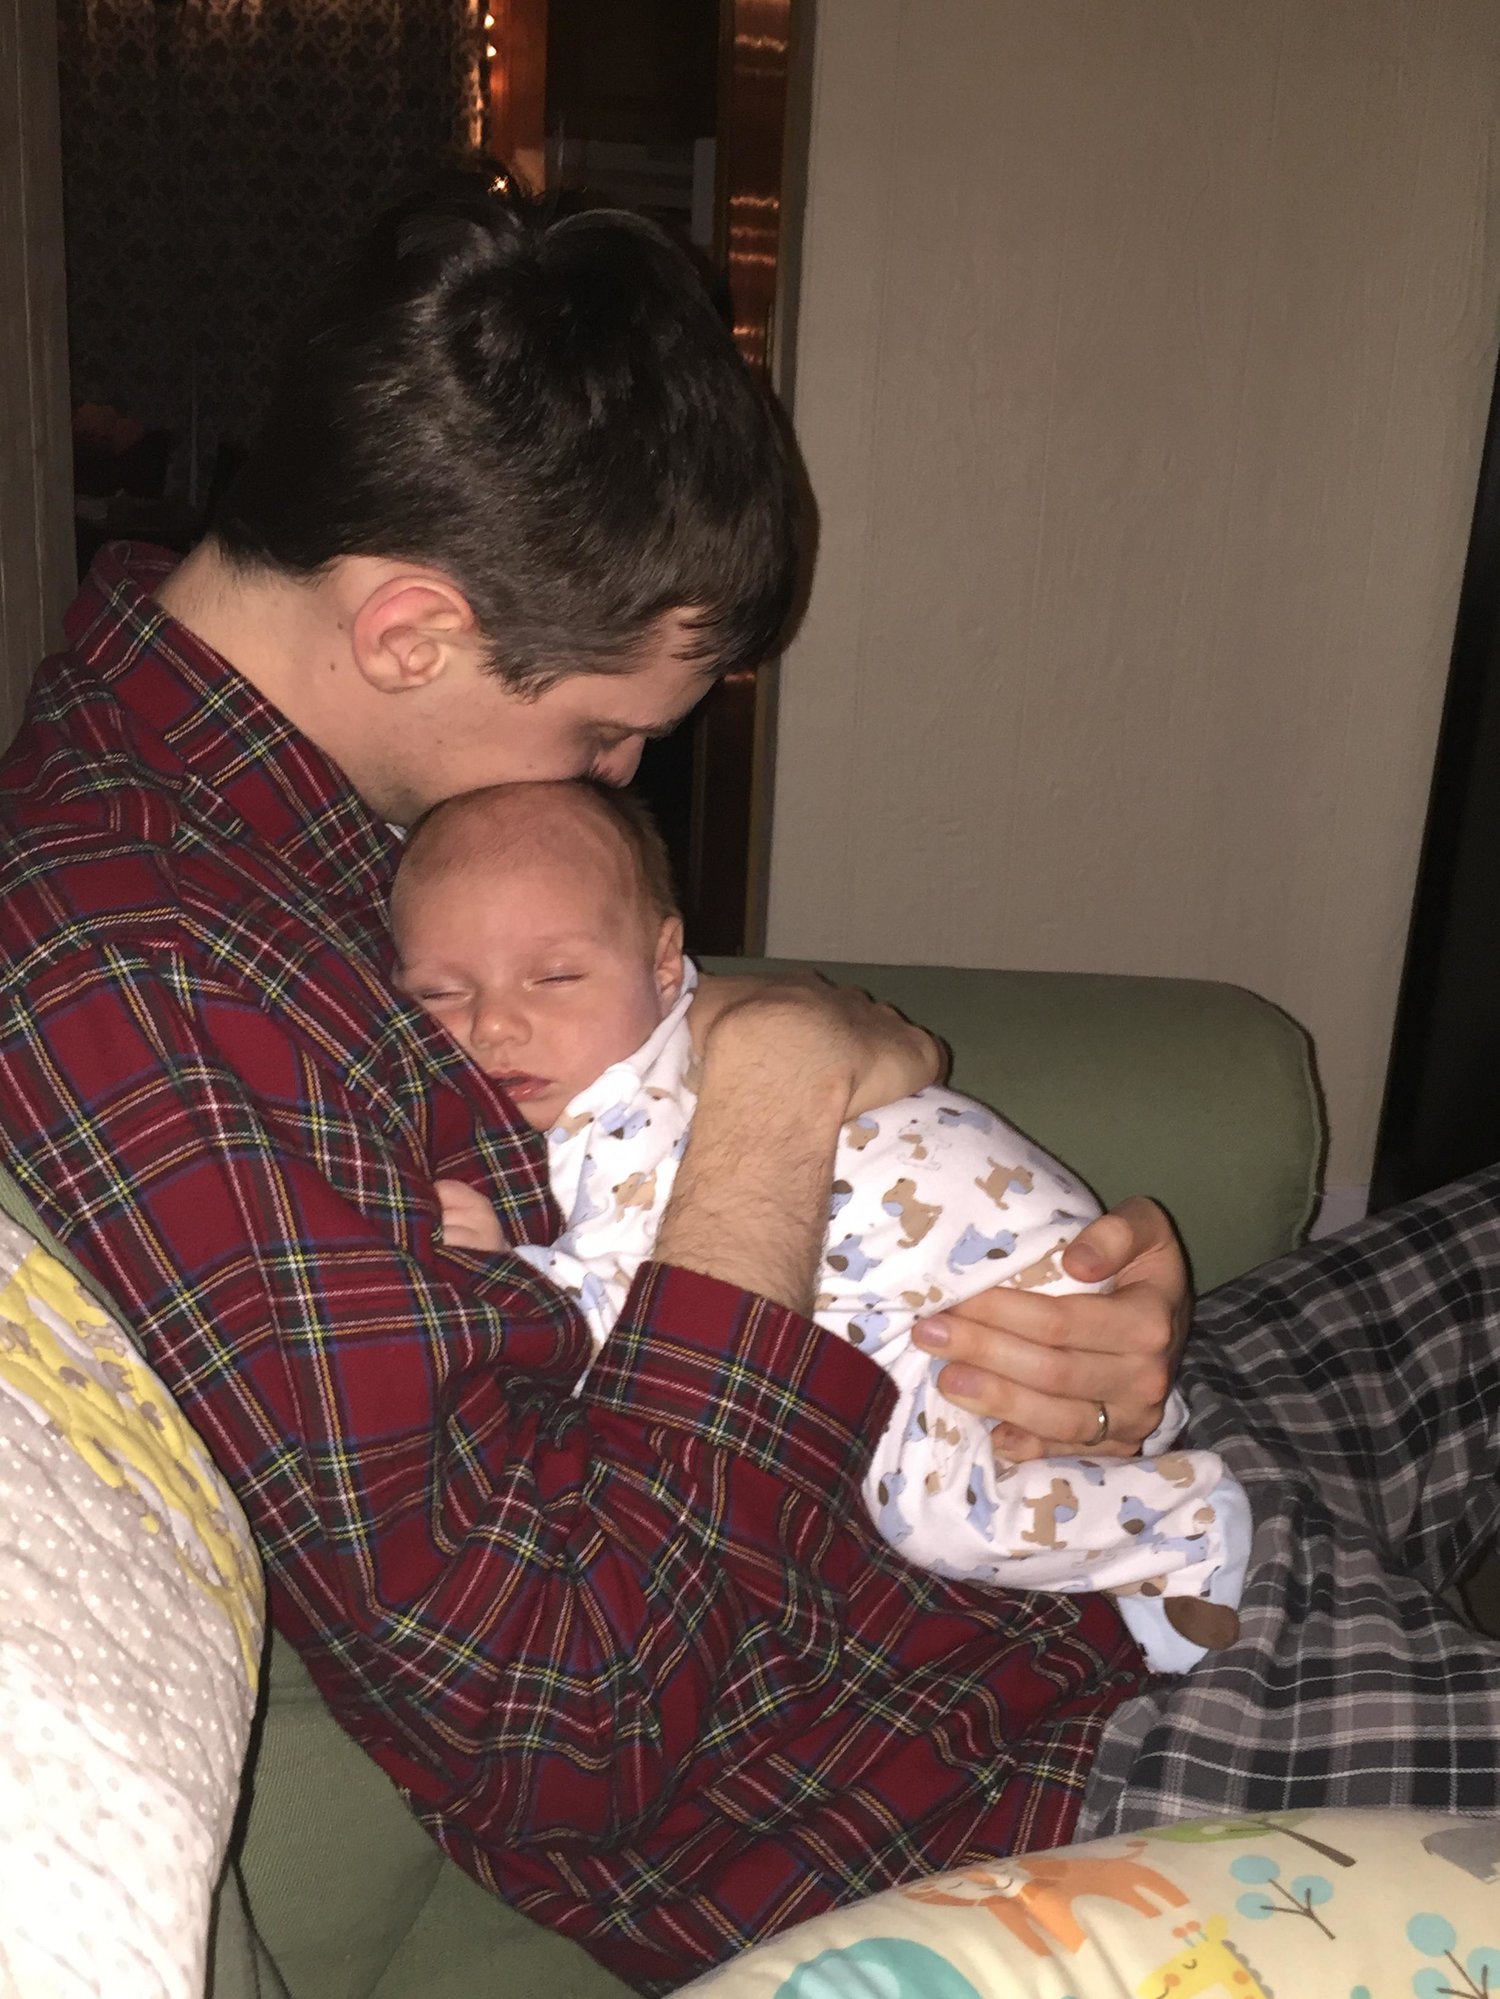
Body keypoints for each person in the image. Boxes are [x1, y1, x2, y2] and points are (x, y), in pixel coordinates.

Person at [2, 166, 1497, 1994]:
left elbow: (622, 1064)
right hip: (1002, 1736)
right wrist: (778, 1090)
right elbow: (563, 1713)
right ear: (408, 632)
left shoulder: (284, 791)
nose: (621, 774)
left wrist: (1027, 1266)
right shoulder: (146, 979)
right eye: (599, 729)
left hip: (1043, 1471)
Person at [389, 778, 1251, 1673]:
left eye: (556, 977)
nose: (494, 1025)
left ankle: (1181, 1526)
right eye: (440, 993)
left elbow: (642, 1318)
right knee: (896, 1488)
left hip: (989, 1288)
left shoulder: (631, 1107)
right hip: (934, 1295)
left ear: (663, 964)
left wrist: (506, 1271)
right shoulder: (651, 1056)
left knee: (932, 1514)